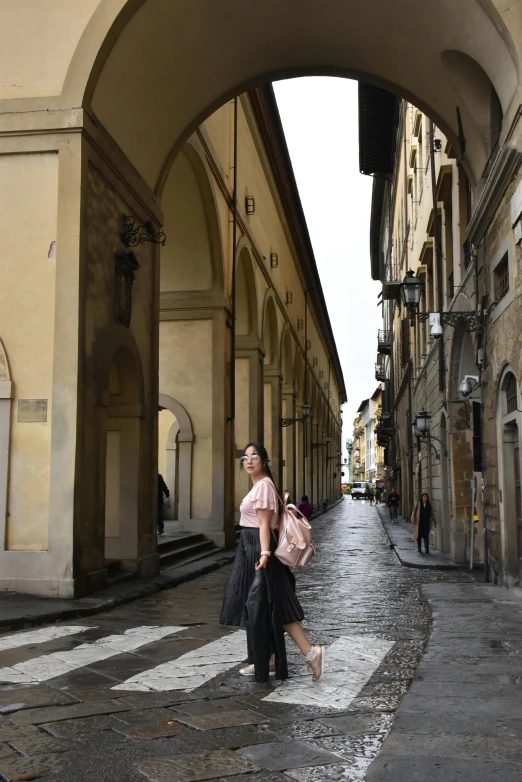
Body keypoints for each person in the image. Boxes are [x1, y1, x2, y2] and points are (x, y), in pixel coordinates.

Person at [220, 442, 324, 682]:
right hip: (252, 549)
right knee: (266, 607)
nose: (248, 461)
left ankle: (305, 653)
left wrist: (264, 554)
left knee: (270, 606)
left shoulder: (264, 486)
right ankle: (271, 659)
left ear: (264, 461)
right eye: (245, 458)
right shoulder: (259, 485)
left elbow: (264, 525)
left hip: (259, 550)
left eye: (254, 456)